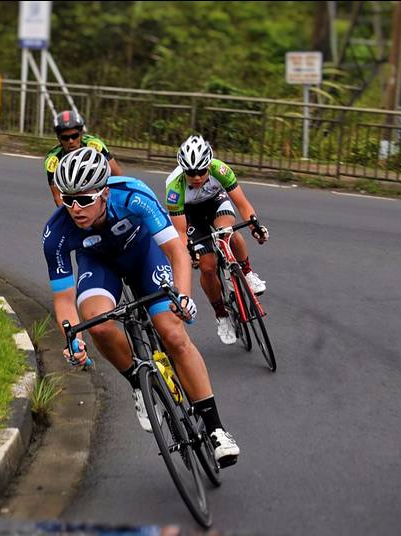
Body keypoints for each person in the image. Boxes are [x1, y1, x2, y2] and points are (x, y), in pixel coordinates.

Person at [42, 147, 240, 466]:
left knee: (171, 333)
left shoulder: (133, 195)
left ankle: (216, 428)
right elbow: (64, 300)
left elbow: (176, 251)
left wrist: (184, 296)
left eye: (84, 199)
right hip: (99, 264)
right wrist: (71, 338)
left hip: (145, 255)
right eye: (68, 199)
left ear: (105, 193)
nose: (75, 208)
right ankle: (137, 380)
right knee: (97, 323)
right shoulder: (56, 233)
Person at [165, 135, 269, 346]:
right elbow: (181, 231)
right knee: (208, 266)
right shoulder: (174, 189)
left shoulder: (220, 169)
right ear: (183, 170)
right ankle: (221, 315)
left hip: (214, 202)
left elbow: (242, 204)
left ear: (209, 165)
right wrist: (190, 251)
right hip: (190, 214)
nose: (196, 177)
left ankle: (247, 273)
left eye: (201, 171)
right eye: (190, 172)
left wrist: (255, 227)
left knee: (228, 232)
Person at [44, 110, 124, 207]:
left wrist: (116, 203)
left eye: (74, 136)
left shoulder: (94, 145)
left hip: (99, 192)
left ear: (81, 134)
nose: (71, 141)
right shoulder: (53, 159)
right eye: (65, 138)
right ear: (59, 138)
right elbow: (58, 198)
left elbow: (118, 175)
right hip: (73, 198)